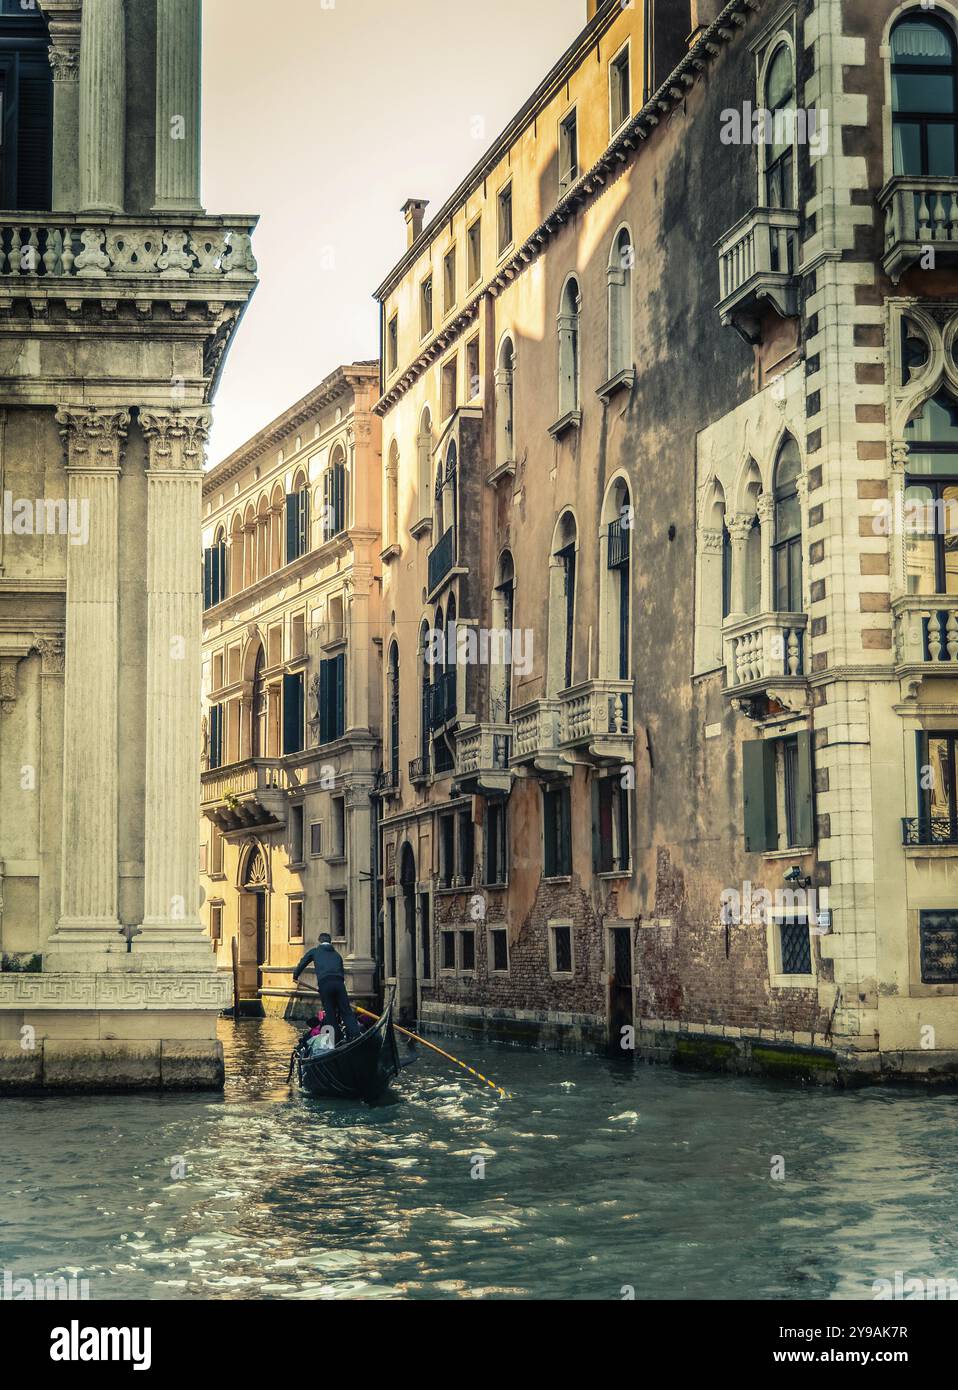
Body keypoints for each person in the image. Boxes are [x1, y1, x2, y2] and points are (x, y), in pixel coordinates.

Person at [292, 932, 362, 1043]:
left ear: (319, 941)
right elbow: (341, 972)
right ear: (330, 942)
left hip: (325, 984)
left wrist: (295, 975)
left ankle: (337, 1039)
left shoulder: (314, 952)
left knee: (330, 1013)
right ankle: (355, 1035)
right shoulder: (337, 955)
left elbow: (303, 963)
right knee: (346, 1011)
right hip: (339, 984)